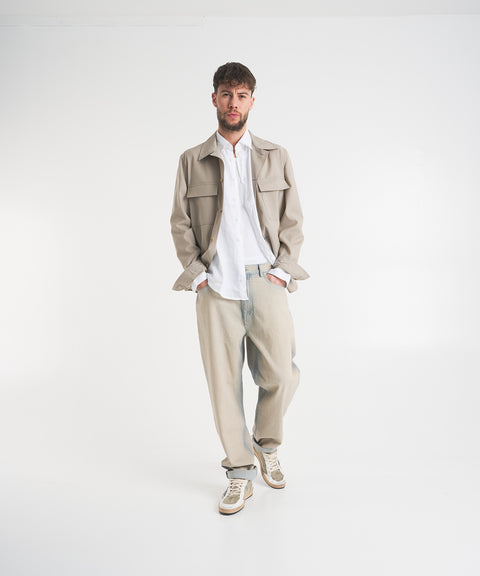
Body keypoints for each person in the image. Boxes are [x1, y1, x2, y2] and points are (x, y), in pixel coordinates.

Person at [170, 62, 308, 515]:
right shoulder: (192, 159)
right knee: (223, 385)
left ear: (252, 101)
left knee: (282, 373)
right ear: (214, 98)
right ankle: (239, 471)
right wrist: (198, 273)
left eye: (242, 95)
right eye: (226, 94)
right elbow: (180, 223)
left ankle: (266, 444)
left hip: (266, 277)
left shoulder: (275, 155)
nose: (234, 103)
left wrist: (283, 269)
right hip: (216, 285)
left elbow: (292, 219)